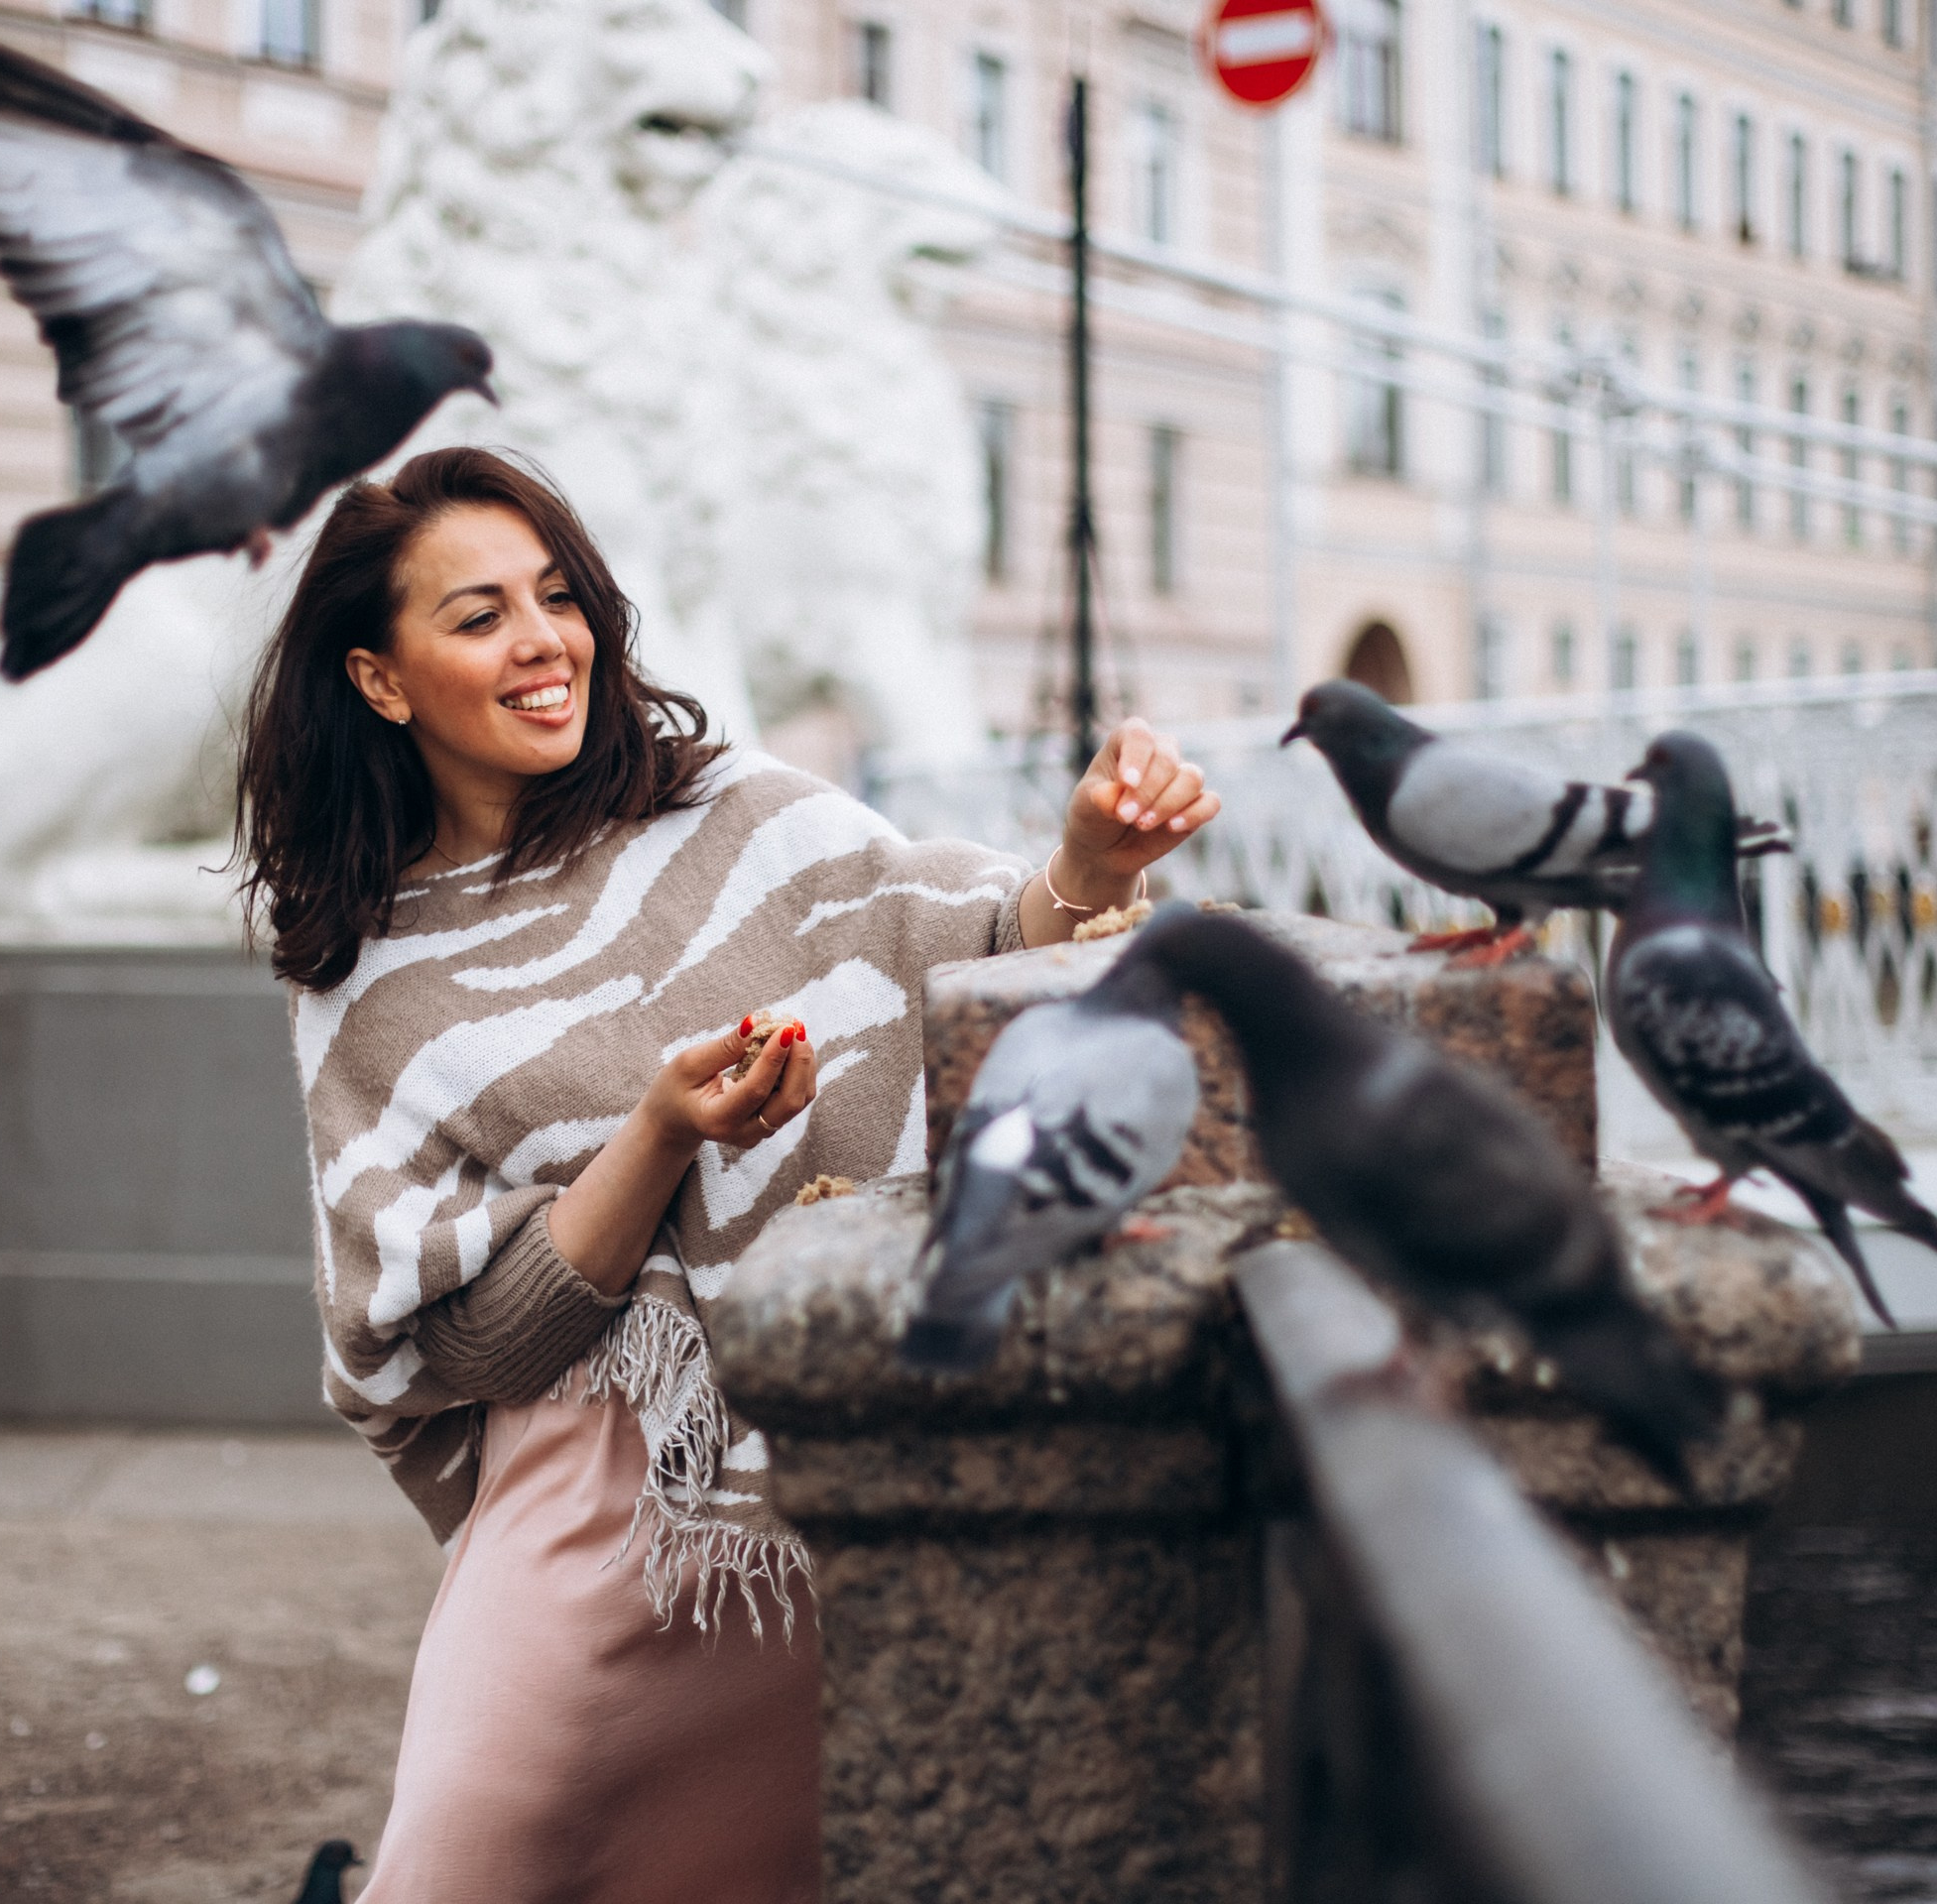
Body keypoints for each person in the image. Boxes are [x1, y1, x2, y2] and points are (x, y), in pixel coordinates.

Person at [236, 446, 1221, 1903]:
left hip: (823, 1499)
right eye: (480, 614)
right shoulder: (366, 982)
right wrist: (659, 1134)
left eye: (558, 598)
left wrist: (1084, 863)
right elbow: (461, 1344)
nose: (541, 643)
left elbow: (965, 948)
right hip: (592, 1535)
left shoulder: (739, 815)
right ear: (382, 680)